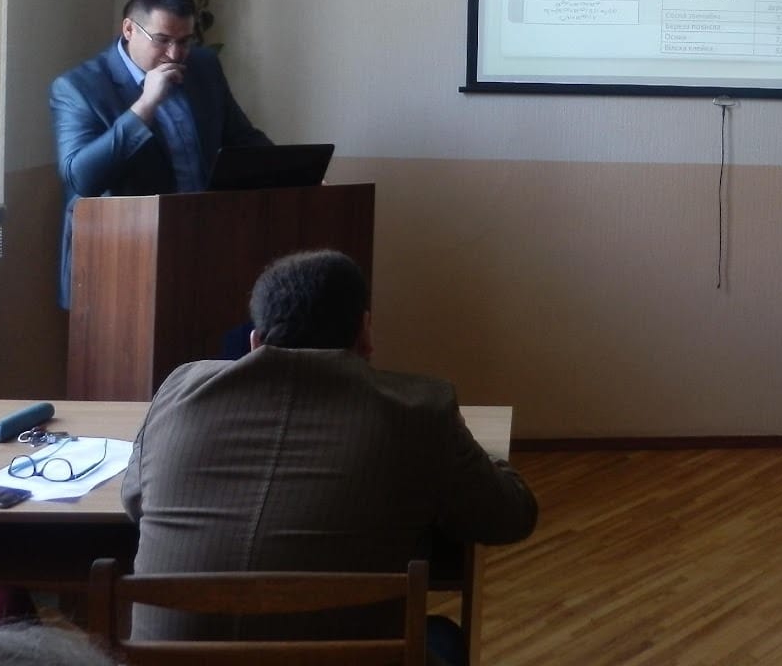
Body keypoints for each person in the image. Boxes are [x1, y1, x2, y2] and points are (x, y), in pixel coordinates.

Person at [121, 250, 537, 662]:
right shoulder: (421, 412)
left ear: (255, 342)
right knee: (442, 636)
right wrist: (472, 452)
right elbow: (511, 515)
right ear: (365, 333)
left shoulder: (178, 392)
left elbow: (134, 500)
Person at [49, 0, 271, 307]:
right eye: (162, 40)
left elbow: (242, 138)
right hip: (119, 258)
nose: (175, 54)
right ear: (129, 29)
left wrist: (297, 173)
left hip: (202, 245)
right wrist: (145, 106)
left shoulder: (203, 66)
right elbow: (81, 178)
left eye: (184, 41)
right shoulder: (78, 88)